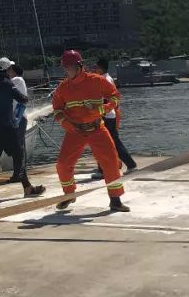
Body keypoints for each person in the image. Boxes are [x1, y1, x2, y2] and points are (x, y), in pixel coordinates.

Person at [51, 50, 130, 212]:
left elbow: (115, 96)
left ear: (79, 67)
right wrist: (65, 122)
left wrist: (103, 108)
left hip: (97, 129)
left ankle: (115, 200)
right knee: (63, 165)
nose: (66, 71)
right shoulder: (63, 87)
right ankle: (69, 195)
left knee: (111, 162)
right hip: (75, 131)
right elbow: (57, 108)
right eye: (64, 68)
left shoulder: (97, 81)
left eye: (69, 68)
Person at [0, 59, 45, 197]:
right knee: (19, 154)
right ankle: (26, 186)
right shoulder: (8, 84)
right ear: (7, 69)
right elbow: (23, 99)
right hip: (6, 126)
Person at [90, 57, 137, 179]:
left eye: (96, 67)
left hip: (106, 117)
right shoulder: (108, 78)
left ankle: (104, 170)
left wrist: (96, 111)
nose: (94, 69)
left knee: (104, 144)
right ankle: (128, 165)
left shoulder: (104, 80)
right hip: (110, 116)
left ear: (100, 68)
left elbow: (106, 100)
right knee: (109, 143)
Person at [6, 61, 30, 183]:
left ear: (13, 71)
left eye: (8, 69)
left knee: (18, 148)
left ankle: (19, 174)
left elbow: (5, 86)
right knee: (17, 147)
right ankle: (18, 173)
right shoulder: (16, 81)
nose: (7, 72)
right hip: (16, 119)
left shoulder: (17, 80)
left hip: (18, 119)